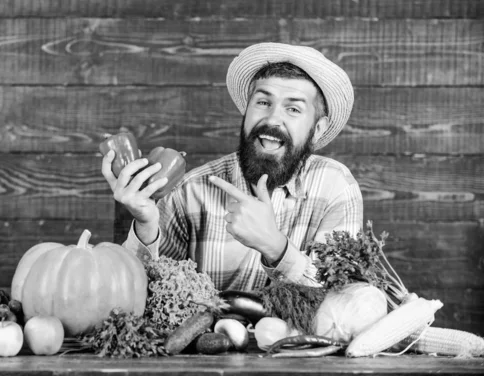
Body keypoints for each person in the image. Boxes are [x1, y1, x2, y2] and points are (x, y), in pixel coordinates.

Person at [101, 43, 363, 291]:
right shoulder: (189, 192)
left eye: (293, 109)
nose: (273, 118)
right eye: (263, 102)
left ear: (317, 130)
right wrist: (145, 225)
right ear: (246, 111)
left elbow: (342, 300)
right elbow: (141, 296)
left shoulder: (336, 189)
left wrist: (276, 247)